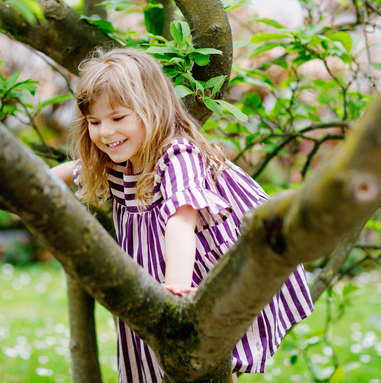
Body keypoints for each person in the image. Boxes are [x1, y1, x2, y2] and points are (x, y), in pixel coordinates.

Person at [51, 48, 313, 382]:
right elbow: (75, 168)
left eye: (118, 118)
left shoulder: (177, 153)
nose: (105, 132)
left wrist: (176, 286)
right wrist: (31, 182)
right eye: (94, 122)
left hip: (203, 273)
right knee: (159, 361)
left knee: (210, 361)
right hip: (153, 275)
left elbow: (181, 217)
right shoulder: (117, 161)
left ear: (152, 108)